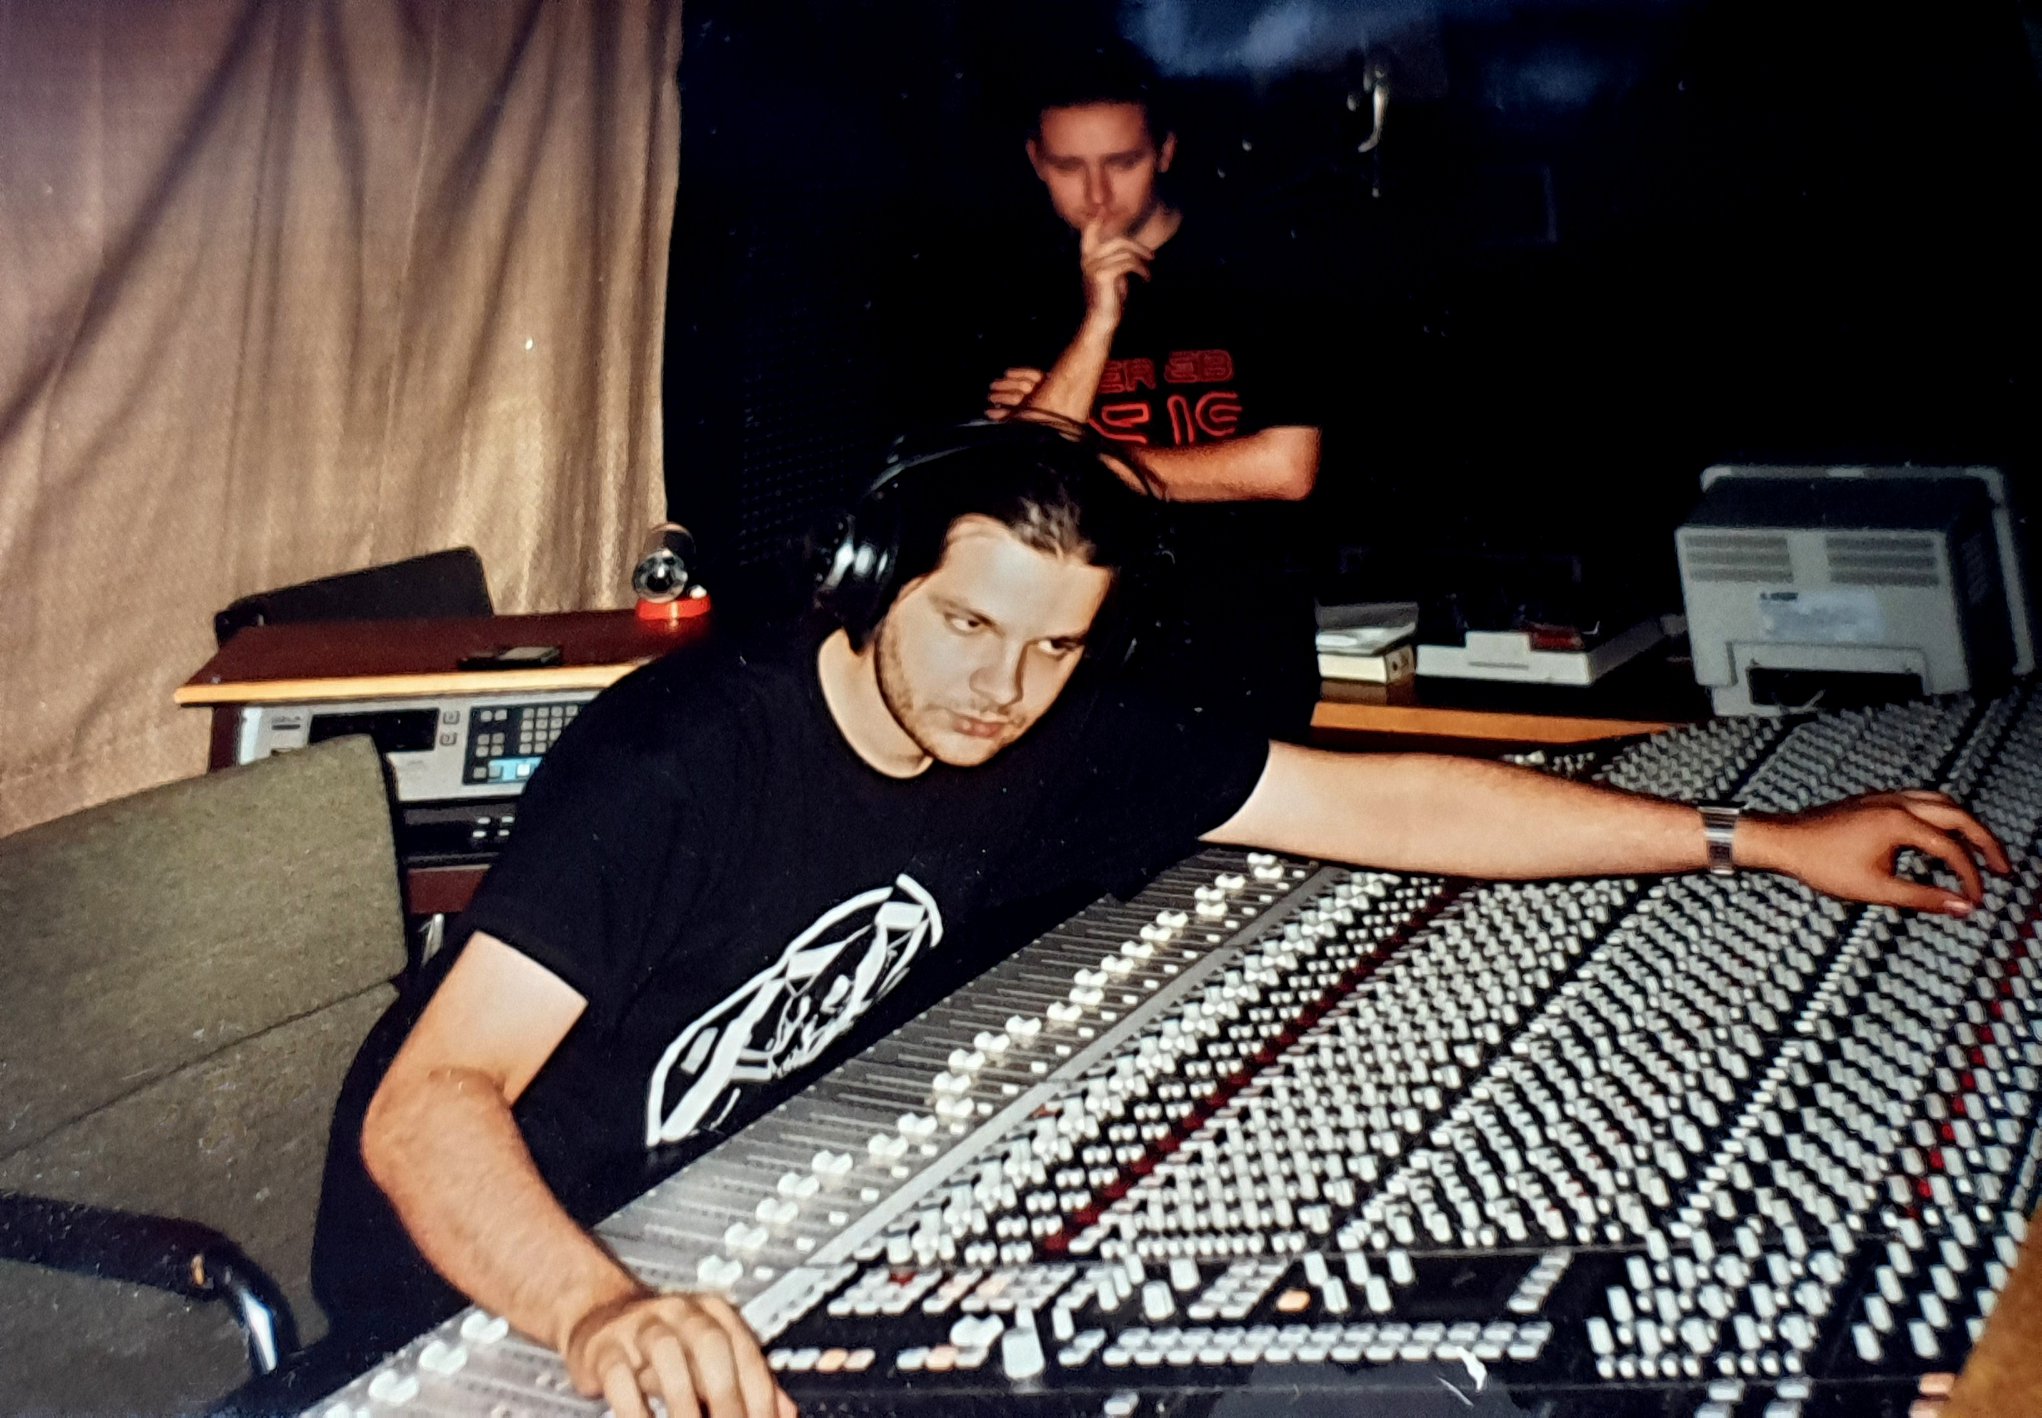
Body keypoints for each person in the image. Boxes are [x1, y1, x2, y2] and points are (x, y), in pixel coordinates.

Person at [317, 419, 2007, 1418]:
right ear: (868, 580)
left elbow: (1386, 805)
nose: (1002, 688)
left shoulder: (1043, 724)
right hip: (491, 1270)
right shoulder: (678, 762)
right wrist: (599, 1308)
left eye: (1054, 646)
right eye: (967, 625)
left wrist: (1751, 838)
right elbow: (426, 1105)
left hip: (720, 1222)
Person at [985, 41, 1327, 739]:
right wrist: (1099, 322)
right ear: (1035, 161)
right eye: (1069, 167)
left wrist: (1093, 456)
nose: (1097, 195)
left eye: (1122, 162)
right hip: (1077, 663)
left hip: (1240, 651)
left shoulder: (1257, 269)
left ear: (1165, 151)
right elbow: (1018, 481)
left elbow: (1287, 468)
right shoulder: (1008, 289)